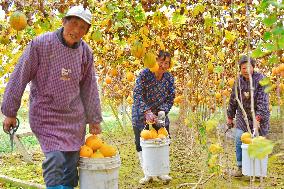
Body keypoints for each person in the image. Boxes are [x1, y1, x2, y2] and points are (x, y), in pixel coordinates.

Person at [1, 5, 103, 189]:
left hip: (73, 119)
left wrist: (94, 119)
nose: (77, 30)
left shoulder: (85, 52)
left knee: (71, 168)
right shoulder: (40, 44)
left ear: (87, 31)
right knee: (55, 159)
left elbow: (89, 87)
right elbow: (20, 75)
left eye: (83, 27)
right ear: (63, 22)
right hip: (45, 115)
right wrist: (10, 111)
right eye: (73, 23)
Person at [132, 50, 175, 184]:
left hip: (160, 114)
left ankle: (162, 172)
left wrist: (163, 110)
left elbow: (171, 97)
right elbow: (137, 94)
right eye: (160, 61)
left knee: (162, 140)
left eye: (166, 63)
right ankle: (148, 173)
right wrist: (146, 111)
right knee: (143, 143)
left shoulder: (168, 78)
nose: (163, 65)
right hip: (141, 114)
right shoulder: (144, 74)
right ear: (155, 61)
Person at [227, 55, 270, 177]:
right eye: (243, 68)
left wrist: (258, 118)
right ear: (240, 69)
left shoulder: (261, 79)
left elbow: (263, 100)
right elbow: (233, 100)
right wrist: (230, 117)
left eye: (248, 67)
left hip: (260, 114)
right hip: (243, 114)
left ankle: (258, 169)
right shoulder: (238, 82)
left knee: (259, 141)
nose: (246, 70)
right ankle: (241, 167)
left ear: (253, 67)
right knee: (239, 137)